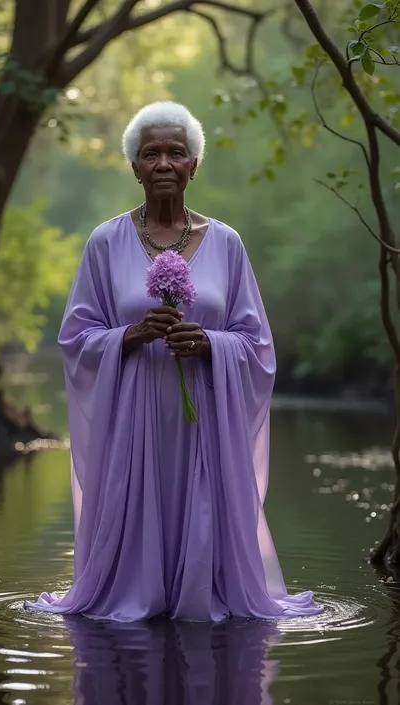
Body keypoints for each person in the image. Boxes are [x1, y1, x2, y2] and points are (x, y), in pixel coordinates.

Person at [25, 101, 323, 622]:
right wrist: (131, 335)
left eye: (176, 152)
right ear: (135, 167)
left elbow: (256, 345)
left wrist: (212, 343)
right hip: (134, 424)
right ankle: (131, 594)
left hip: (205, 418)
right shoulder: (105, 242)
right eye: (151, 153)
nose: (164, 162)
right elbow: (75, 339)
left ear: (193, 166)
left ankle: (203, 594)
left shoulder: (226, 243)